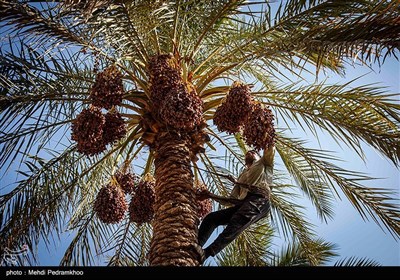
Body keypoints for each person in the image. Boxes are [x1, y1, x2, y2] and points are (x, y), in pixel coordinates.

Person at [196, 144, 274, 263]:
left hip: (259, 199)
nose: (250, 152)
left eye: (253, 151)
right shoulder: (242, 176)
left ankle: (206, 253)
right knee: (212, 218)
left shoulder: (265, 163)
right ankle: (195, 246)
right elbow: (230, 199)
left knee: (236, 222)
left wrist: (266, 136)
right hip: (242, 203)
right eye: (248, 152)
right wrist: (209, 195)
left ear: (259, 155)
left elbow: (270, 148)